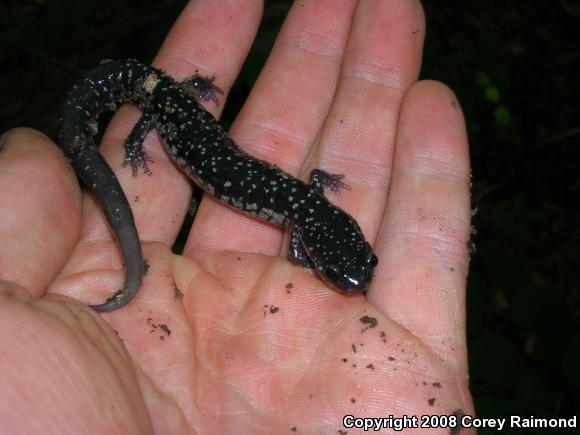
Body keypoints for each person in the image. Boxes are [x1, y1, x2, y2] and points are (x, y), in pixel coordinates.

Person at [0, 0, 474, 433]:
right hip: (164, 103)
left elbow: (307, 217)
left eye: (359, 267)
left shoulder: (308, 205)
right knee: (161, 105)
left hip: (175, 99)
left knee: (168, 99)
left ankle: (168, 97)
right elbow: (296, 245)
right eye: (336, 271)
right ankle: (146, 116)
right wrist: (134, 141)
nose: (355, 281)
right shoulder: (302, 218)